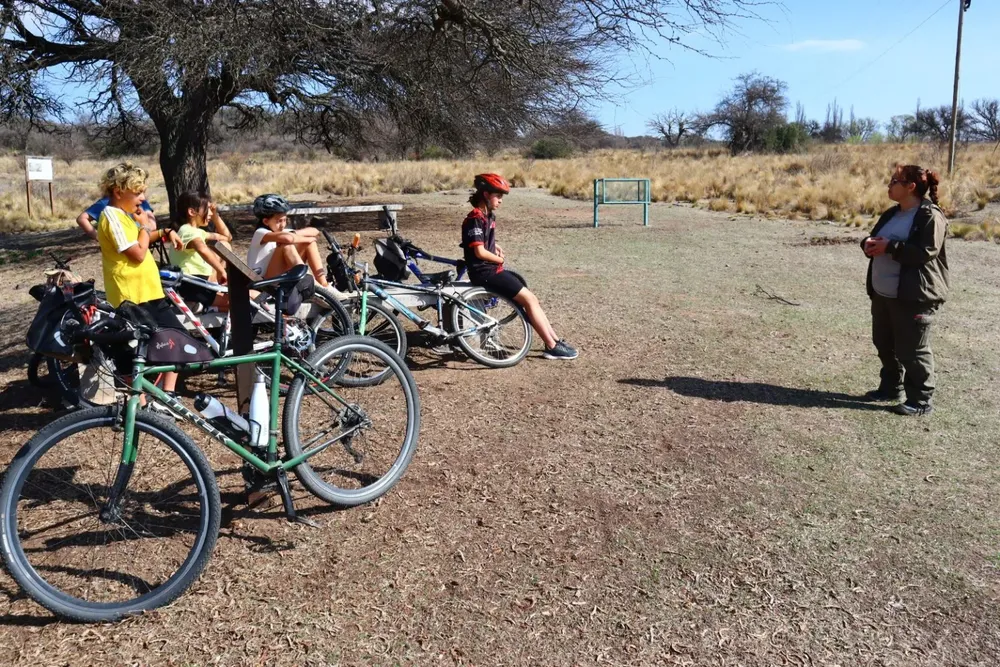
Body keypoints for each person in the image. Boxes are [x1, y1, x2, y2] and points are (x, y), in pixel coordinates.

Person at [95, 162, 184, 415]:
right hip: (131, 297)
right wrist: (146, 227)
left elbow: (140, 240)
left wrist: (165, 232)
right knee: (134, 353)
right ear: (118, 191)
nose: (143, 198)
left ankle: (165, 398)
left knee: (172, 340)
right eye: (138, 192)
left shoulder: (123, 216)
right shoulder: (111, 216)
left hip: (148, 292)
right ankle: (143, 407)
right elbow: (136, 252)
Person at [860, 164, 949, 416]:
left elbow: (925, 252)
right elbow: (875, 238)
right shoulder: (891, 213)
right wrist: (867, 244)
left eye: (894, 180)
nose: (889, 185)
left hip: (914, 295)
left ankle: (920, 401)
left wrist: (890, 247)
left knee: (912, 349)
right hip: (883, 292)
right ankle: (891, 388)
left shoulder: (930, 216)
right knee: (884, 343)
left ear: (910, 186)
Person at [461, 173, 577, 360]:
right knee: (529, 300)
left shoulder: (488, 216)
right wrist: (498, 260)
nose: (500, 201)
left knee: (532, 299)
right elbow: (479, 253)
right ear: (485, 195)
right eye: (497, 196)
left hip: (491, 270)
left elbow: (483, 242)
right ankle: (551, 346)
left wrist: (495, 246)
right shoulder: (475, 217)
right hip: (484, 272)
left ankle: (555, 340)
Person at [246, 194, 329, 287]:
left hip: (277, 275)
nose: (283, 225)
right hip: (263, 282)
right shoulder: (260, 232)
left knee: (308, 244)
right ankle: (310, 283)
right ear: (266, 221)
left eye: (285, 220)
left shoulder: (280, 231)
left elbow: (314, 231)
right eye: (279, 221)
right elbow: (287, 238)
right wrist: (307, 238)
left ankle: (324, 285)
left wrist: (299, 236)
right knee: (286, 245)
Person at [168, 191, 233, 312]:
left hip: (200, 282)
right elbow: (202, 248)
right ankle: (205, 307)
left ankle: (206, 307)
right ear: (192, 212)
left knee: (224, 245)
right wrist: (222, 271)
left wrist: (215, 216)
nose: (209, 213)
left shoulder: (198, 232)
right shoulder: (186, 231)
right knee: (241, 301)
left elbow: (227, 237)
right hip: (193, 284)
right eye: (207, 209)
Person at [77, 189, 156, 240]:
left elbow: (152, 225)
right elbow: (82, 219)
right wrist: (100, 238)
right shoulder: (105, 203)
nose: (142, 197)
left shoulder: (140, 201)